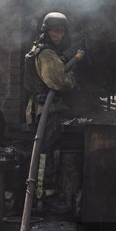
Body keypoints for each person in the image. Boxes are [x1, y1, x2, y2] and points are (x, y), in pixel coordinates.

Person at [23, 12, 83, 198]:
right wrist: (71, 78)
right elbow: (58, 81)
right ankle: (42, 196)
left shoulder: (39, 49)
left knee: (44, 150)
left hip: (40, 109)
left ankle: (41, 194)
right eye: (56, 31)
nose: (59, 36)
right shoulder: (47, 53)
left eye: (62, 32)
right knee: (45, 152)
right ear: (46, 31)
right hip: (47, 110)